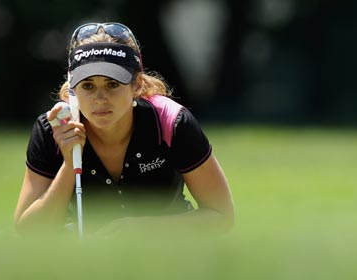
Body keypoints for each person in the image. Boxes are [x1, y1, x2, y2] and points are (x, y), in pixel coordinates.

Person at [14, 22, 234, 236]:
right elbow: (28, 231)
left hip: (168, 255)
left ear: (136, 84)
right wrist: (70, 164)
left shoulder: (171, 122)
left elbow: (221, 216)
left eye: (112, 84)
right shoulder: (54, 129)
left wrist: (142, 230)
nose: (100, 99)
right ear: (73, 88)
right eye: (88, 86)